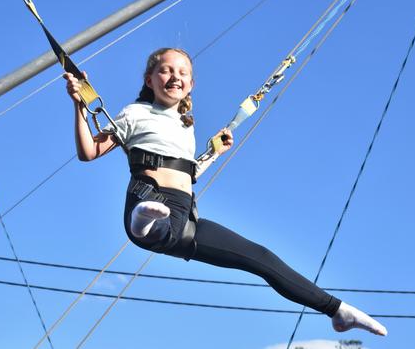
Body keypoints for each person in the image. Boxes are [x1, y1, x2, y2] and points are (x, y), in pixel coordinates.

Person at [64, 47, 387, 336]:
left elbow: (186, 174)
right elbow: (89, 151)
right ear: (149, 79)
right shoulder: (134, 113)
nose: (174, 76)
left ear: (190, 85)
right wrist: (79, 104)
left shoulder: (185, 124)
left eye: (183, 72)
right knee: (150, 215)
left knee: (260, 257)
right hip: (147, 194)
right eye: (166, 70)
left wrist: (214, 154)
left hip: (184, 215)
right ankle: (143, 223)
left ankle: (337, 310)